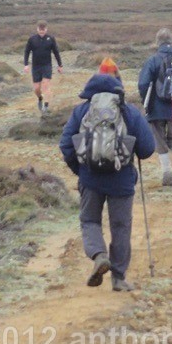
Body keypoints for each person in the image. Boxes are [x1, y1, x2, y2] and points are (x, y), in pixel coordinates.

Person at [59, 73, 155, 291]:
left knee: (90, 221)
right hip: (121, 181)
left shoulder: (82, 111)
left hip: (90, 179)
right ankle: (119, 278)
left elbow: (65, 144)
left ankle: (99, 255)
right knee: (120, 227)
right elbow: (148, 149)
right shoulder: (128, 112)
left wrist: (80, 170)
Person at [137, 28, 172, 187]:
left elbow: (143, 83)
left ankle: (167, 174)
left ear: (157, 42)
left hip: (155, 108)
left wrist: (146, 100)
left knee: (159, 139)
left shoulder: (152, 61)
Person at [23, 20, 63, 114]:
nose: (42, 31)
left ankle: (46, 106)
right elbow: (27, 52)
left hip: (47, 65)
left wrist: (60, 65)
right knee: (36, 89)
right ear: (37, 29)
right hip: (36, 66)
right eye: (40, 30)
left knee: (45, 86)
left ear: (46, 29)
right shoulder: (32, 39)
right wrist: (26, 64)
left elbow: (56, 52)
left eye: (43, 29)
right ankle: (40, 98)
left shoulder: (51, 39)